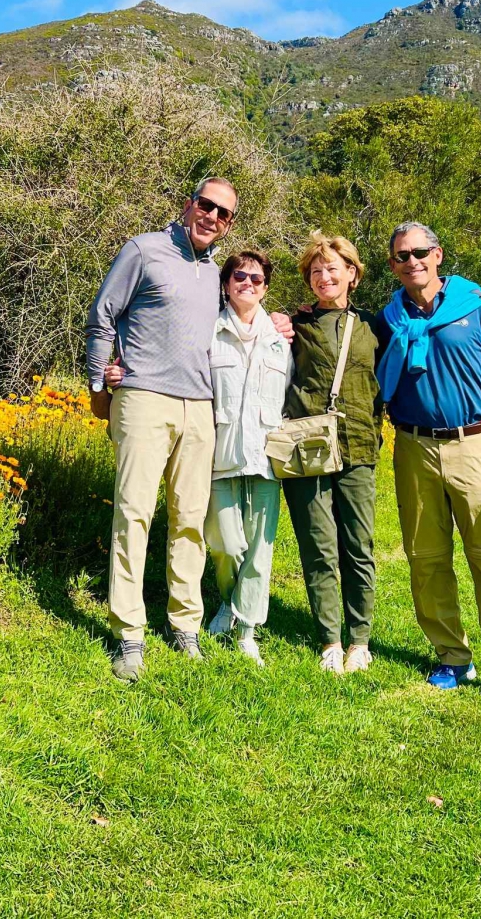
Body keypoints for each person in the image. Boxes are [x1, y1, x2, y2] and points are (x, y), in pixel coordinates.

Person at [376, 221, 481, 718]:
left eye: (421, 252)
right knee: (426, 558)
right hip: (411, 448)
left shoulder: (476, 305)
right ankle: (452, 657)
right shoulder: (390, 317)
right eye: (403, 256)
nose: (413, 262)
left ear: (438, 254)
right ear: (393, 265)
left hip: (472, 445)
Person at [86, 178, 248, 682]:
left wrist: (284, 320)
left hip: (200, 408)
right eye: (207, 205)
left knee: (190, 521)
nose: (213, 217)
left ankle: (185, 625)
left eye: (224, 214)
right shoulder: (144, 250)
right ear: (188, 204)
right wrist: (98, 385)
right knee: (134, 514)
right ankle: (129, 634)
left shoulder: (215, 272)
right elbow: (102, 315)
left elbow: (243, 311)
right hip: (144, 399)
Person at [105, 251, 290, 665]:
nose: (248, 283)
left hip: (237, 442)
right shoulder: (207, 324)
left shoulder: (279, 337)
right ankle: (132, 631)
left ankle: (205, 627)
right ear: (225, 284)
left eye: (257, 279)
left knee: (209, 528)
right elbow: (135, 324)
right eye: (239, 276)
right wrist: (111, 369)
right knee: (150, 519)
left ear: (266, 286)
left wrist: (284, 322)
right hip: (186, 427)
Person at [283, 232, 384, 674]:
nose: (324, 276)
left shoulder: (375, 327)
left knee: (358, 546)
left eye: (332, 268)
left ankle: (359, 640)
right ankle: (329, 638)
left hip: (360, 444)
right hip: (306, 446)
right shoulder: (294, 326)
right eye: (316, 270)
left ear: (353, 275)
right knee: (318, 545)